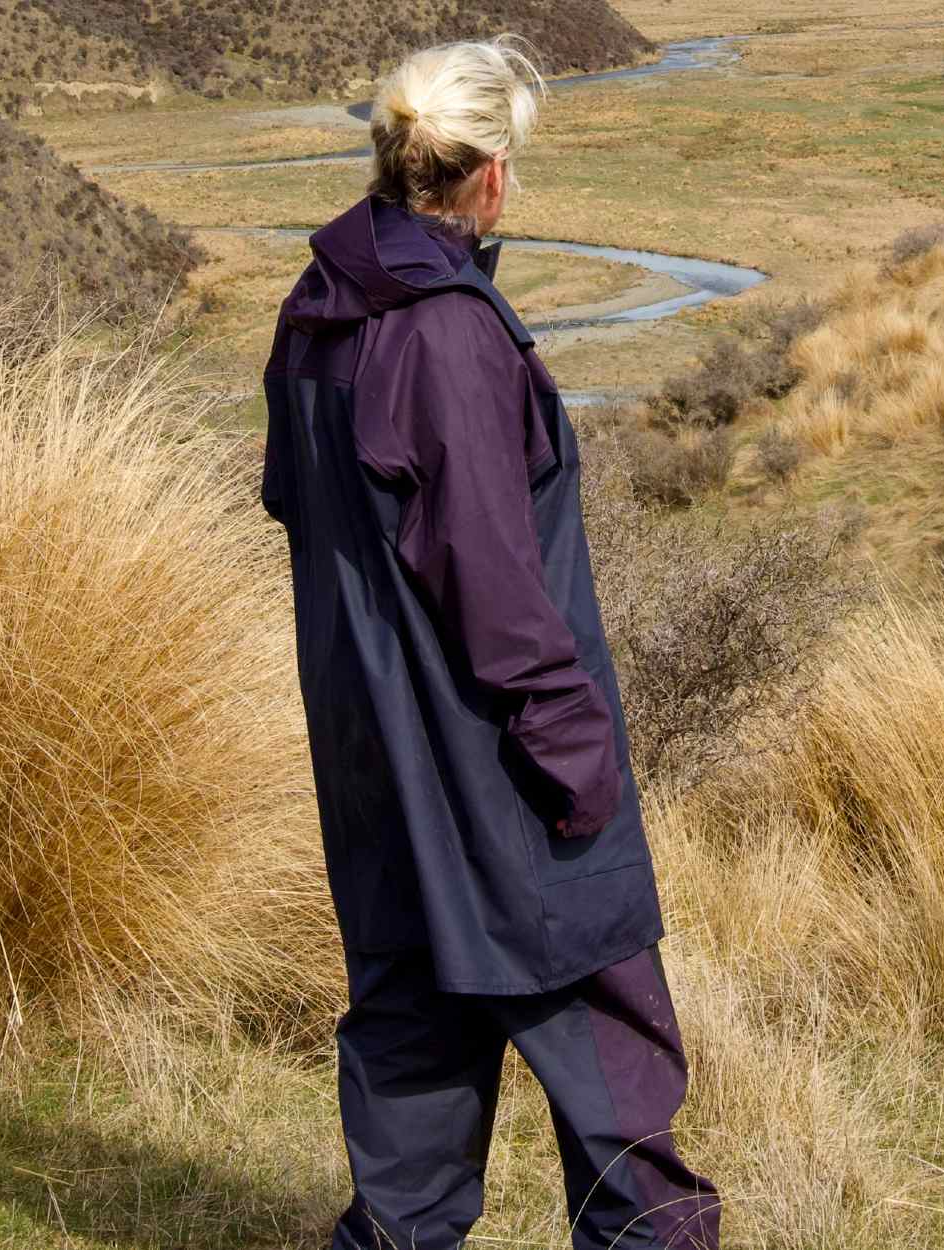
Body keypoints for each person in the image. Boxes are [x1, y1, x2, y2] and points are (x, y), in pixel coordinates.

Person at [260, 35, 721, 1250]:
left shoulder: (314, 312)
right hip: (501, 772)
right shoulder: (447, 335)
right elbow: (498, 593)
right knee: (615, 1074)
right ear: (491, 174)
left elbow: (294, 504)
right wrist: (576, 760)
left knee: (410, 1049)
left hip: (373, 760)